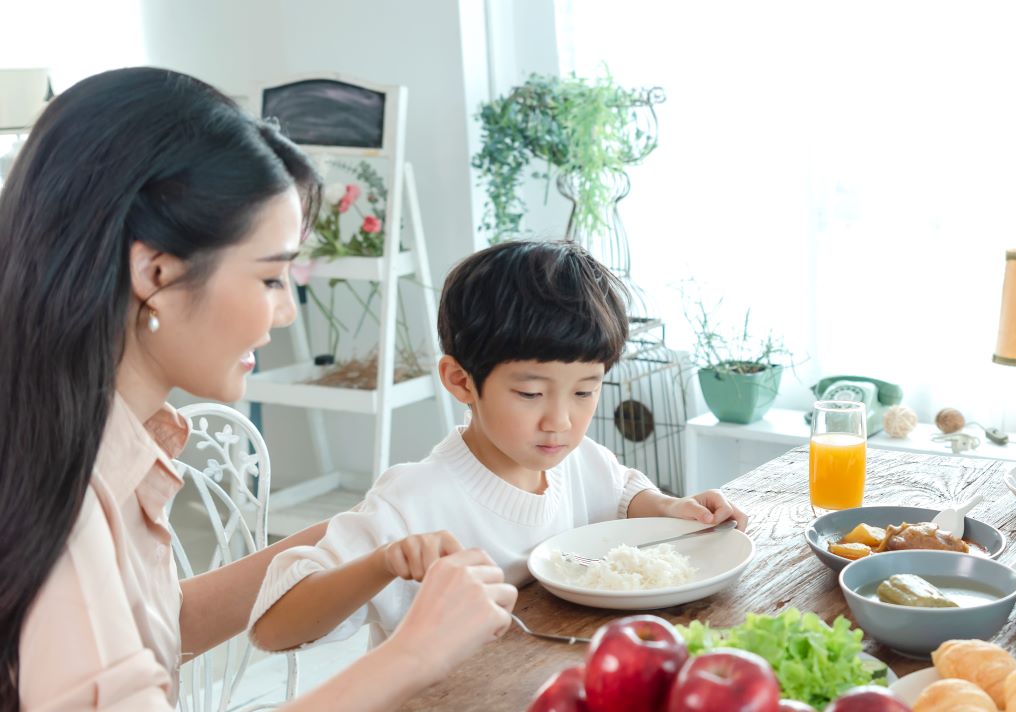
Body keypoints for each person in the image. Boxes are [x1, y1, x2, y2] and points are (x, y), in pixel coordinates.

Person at [0, 68, 517, 712]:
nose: (284, 311)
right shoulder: (63, 482)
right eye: (271, 277)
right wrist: (411, 657)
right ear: (157, 273)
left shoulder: (87, 433)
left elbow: (135, 626)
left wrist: (335, 541)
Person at [249, 240, 747, 650]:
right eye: (530, 393)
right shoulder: (414, 500)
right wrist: (384, 562)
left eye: (585, 391)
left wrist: (667, 507)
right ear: (462, 382)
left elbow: (618, 492)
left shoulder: (576, 461)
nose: (561, 420)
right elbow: (274, 628)